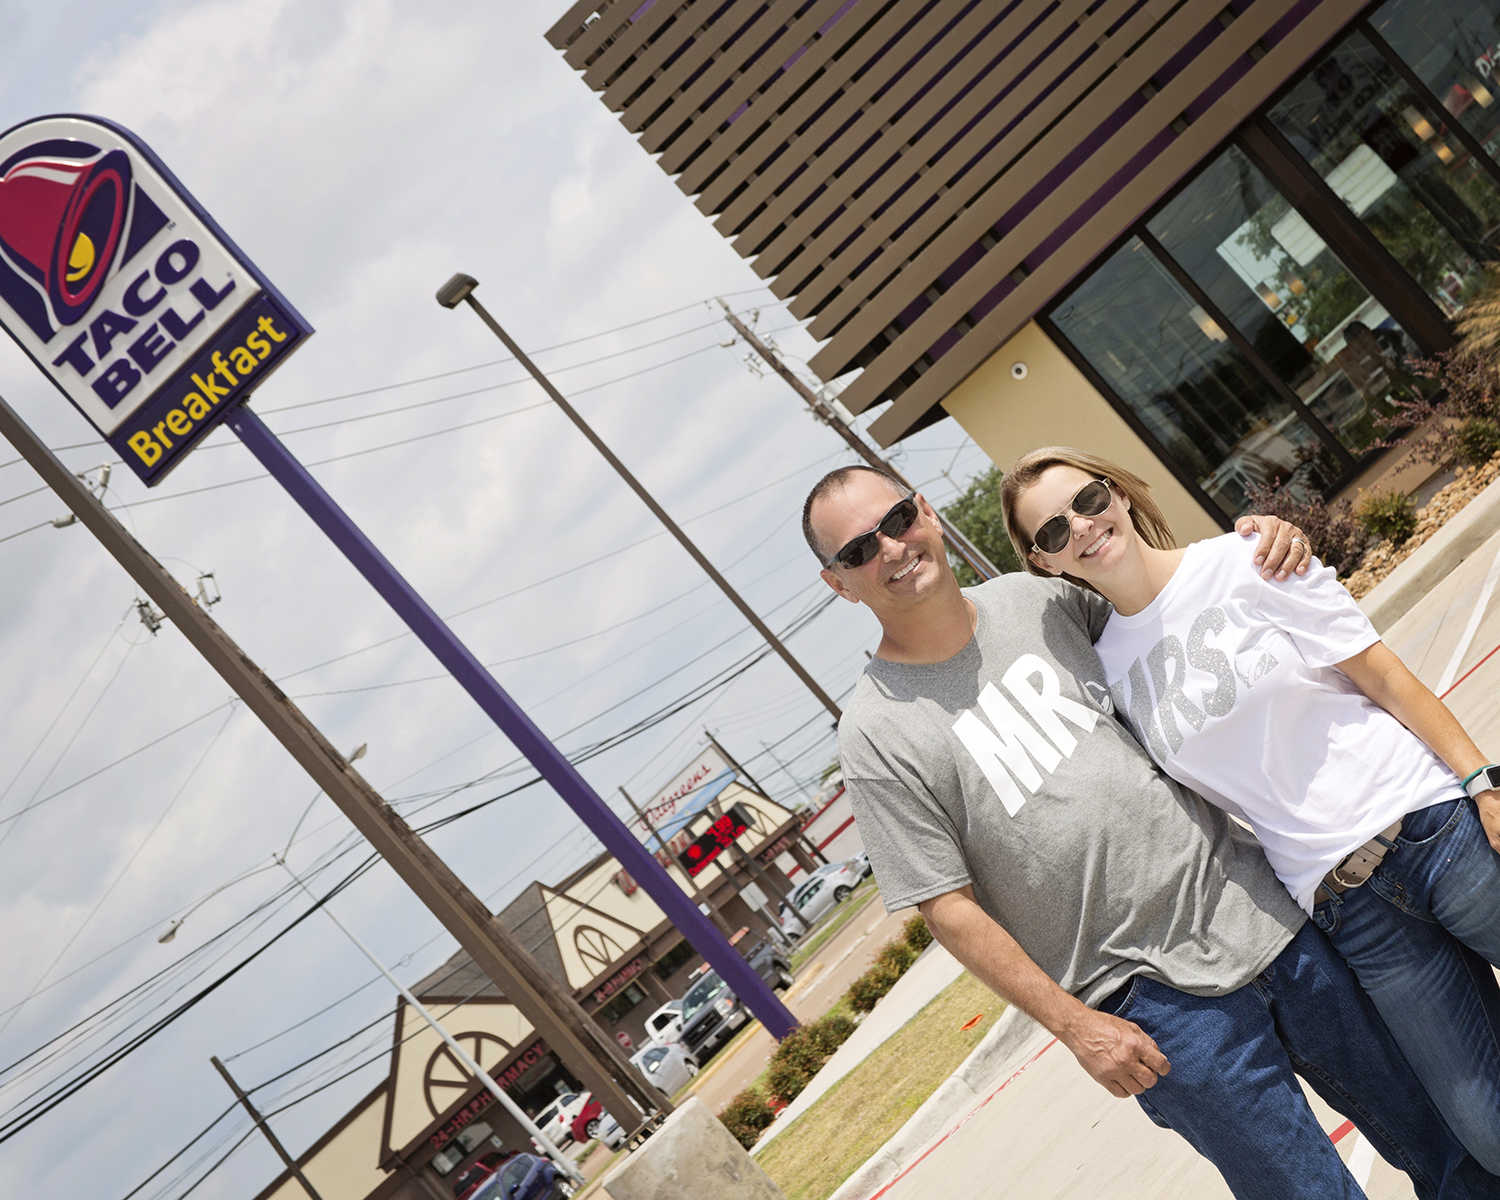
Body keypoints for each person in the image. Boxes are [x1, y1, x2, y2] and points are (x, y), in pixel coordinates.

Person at [803, 464, 1495, 1200]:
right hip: (1152, 1009)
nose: (891, 547)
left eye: (898, 518)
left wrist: (1260, 543)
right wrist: (1075, 1027)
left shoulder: (1039, 604)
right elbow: (946, 907)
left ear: (928, 514)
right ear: (838, 582)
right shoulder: (875, 735)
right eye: (857, 551)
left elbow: (1163, 607)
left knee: (1448, 1148)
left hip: (1269, 919)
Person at [1001, 446, 1500, 1173]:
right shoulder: (1106, 675)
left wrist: (1482, 782)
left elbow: (1384, 676)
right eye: (1051, 532)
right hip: (1352, 912)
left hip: (1432, 830)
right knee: (1485, 1133)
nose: (1081, 526)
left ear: (1119, 493)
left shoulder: (1246, 561)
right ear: (1044, 563)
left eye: (1087, 500)